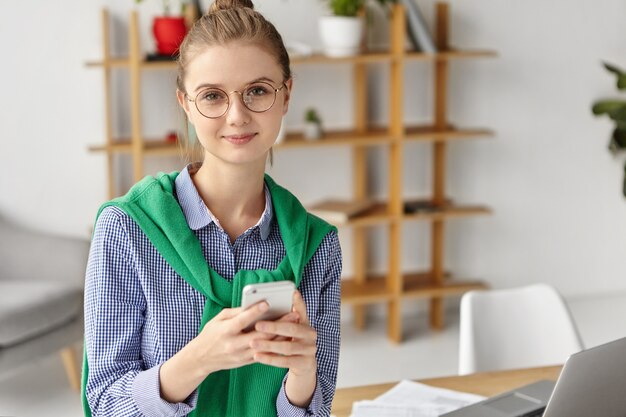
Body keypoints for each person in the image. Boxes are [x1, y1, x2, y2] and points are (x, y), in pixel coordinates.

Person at [81, 1, 342, 416]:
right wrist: (197, 361)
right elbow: (105, 405)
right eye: (213, 96)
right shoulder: (127, 229)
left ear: (286, 94)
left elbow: (317, 409)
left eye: (257, 90)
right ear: (186, 103)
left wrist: (303, 378)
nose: (236, 116)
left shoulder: (316, 245)